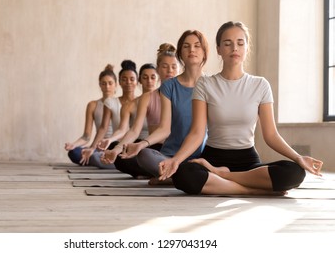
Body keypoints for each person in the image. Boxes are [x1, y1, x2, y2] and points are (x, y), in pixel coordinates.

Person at [159, 21, 324, 196]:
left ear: (247, 48)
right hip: (213, 158)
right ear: (218, 49)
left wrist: (298, 158)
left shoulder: (260, 85)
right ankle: (255, 190)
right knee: (184, 174)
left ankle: (223, 177)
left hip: (248, 161)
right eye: (227, 43)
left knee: (294, 173)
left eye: (240, 43)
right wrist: (176, 160)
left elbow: (271, 135)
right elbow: (197, 132)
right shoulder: (205, 84)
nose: (234, 48)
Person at [119, 31, 209, 183]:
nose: (192, 50)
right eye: (186, 46)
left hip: (200, 156)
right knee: (144, 155)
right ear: (180, 52)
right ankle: (177, 175)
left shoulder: (212, 84)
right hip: (170, 154)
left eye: (197, 46)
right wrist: (141, 144)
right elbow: (164, 129)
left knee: (206, 166)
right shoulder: (169, 86)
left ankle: (173, 176)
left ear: (204, 52)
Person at [100, 43, 180, 178]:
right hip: (157, 150)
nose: (169, 71)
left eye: (173, 67)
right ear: (158, 70)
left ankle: (165, 174)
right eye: (165, 67)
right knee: (129, 156)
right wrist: (116, 149)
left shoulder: (187, 94)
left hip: (180, 150)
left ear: (179, 69)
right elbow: (134, 130)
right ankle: (167, 174)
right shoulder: (147, 98)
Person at [79, 60, 139, 168]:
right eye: (124, 79)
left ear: (137, 81)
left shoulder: (142, 102)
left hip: (137, 145)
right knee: (90, 155)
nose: (128, 82)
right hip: (116, 145)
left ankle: (123, 163)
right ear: (119, 82)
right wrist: (93, 148)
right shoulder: (111, 102)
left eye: (132, 79)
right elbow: (104, 128)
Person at [64, 64, 117, 164]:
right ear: (100, 85)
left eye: (110, 83)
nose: (107, 87)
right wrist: (74, 145)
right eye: (104, 83)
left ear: (116, 85)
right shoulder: (93, 105)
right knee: (74, 152)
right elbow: (86, 136)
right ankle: (100, 159)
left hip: (114, 146)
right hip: (97, 147)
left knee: (101, 156)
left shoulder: (121, 103)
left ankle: (102, 159)